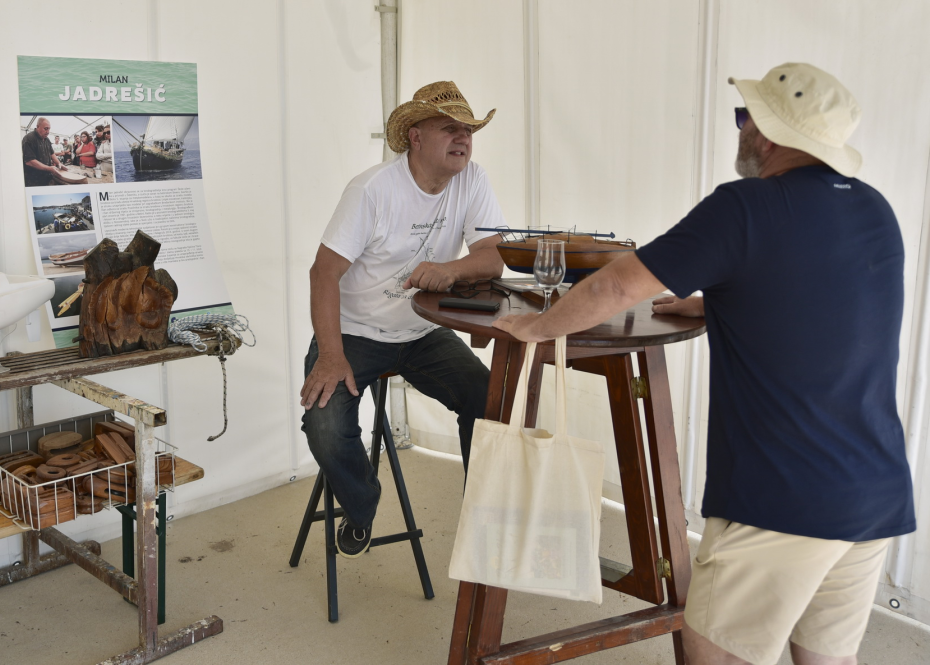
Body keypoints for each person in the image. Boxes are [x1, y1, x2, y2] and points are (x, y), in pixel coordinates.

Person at [493, 63, 915, 665]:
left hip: (782, 497)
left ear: (767, 132)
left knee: (715, 654)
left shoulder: (744, 207)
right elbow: (827, 310)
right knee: (827, 660)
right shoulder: (875, 210)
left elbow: (616, 289)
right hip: (875, 491)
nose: (739, 129)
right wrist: (720, 299)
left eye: (745, 116)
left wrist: (536, 326)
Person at [301, 81, 508, 558]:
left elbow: (493, 258)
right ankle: (362, 504)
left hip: (422, 331)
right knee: (325, 427)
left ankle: (484, 520)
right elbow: (323, 273)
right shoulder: (372, 190)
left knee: (489, 401)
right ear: (415, 137)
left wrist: (448, 270)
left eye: (469, 131)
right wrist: (331, 355)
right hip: (354, 332)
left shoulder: (472, 179)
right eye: (449, 129)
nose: (463, 139)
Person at [21, 117, 66, 186]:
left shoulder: (47, 139)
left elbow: (52, 154)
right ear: (38, 126)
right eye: (45, 129)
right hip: (33, 180)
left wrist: (59, 163)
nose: (48, 132)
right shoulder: (29, 139)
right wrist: (49, 168)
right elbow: (30, 161)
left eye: (49, 129)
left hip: (46, 177)